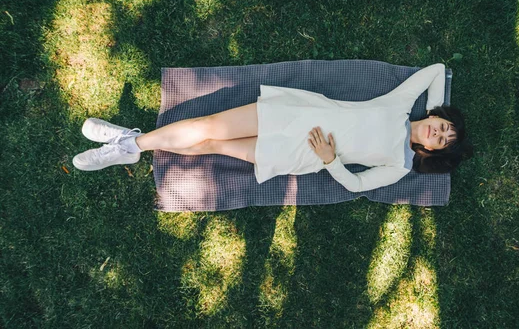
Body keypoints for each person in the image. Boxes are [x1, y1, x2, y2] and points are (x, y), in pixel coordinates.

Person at [73, 63, 472, 192]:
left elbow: (356, 185)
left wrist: (331, 161)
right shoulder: (400, 107)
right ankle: (130, 143)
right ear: (436, 117)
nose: (440, 133)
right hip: (296, 115)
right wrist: (442, 106)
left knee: (212, 143)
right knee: (210, 125)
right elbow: (438, 69)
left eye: (444, 140)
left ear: (433, 153)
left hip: (301, 153)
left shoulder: (401, 165)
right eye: (444, 126)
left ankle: (129, 144)